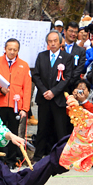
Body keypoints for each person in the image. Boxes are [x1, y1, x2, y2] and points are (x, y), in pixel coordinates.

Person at [0, 39, 31, 167]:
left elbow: (27, 88)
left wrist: (25, 108)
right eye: (9, 49)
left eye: (15, 50)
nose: (12, 52)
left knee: (13, 133)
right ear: (5, 49)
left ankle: (11, 160)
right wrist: (0, 90)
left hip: (15, 106)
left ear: (18, 50)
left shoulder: (24, 65)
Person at [32, 30, 73, 158]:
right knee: (42, 128)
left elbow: (67, 77)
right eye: (50, 41)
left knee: (60, 129)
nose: (53, 43)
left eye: (55, 40)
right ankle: (38, 155)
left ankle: (63, 156)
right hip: (44, 98)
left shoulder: (67, 57)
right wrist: (45, 91)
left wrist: (54, 92)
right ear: (47, 43)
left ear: (60, 41)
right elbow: (36, 75)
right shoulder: (42, 56)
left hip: (58, 98)